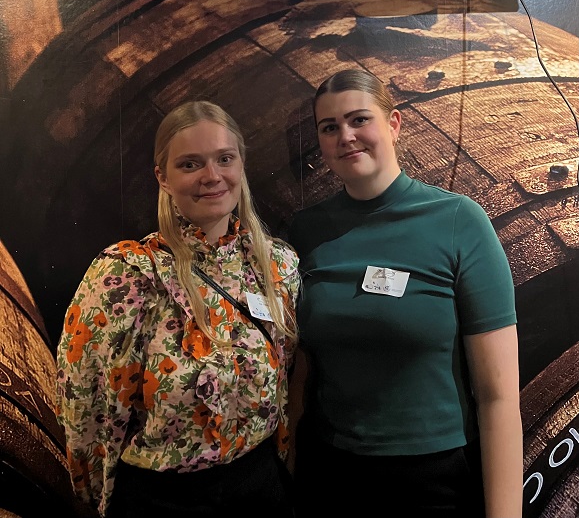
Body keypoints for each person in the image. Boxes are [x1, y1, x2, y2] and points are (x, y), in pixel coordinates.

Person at [287, 68, 522, 518]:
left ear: (393, 124)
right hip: (331, 473)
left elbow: (498, 397)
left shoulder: (458, 221)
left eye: (359, 120)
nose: (346, 136)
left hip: (432, 480)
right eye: (329, 127)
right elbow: (299, 370)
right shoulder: (306, 231)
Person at [55, 100, 300, 518]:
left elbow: (283, 377)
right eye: (190, 164)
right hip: (163, 499)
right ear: (163, 178)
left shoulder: (277, 265)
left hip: (260, 488)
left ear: (241, 164)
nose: (212, 176)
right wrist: (92, 494)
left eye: (225, 159)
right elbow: (85, 405)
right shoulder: (126, 275)